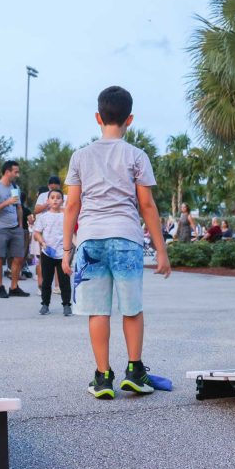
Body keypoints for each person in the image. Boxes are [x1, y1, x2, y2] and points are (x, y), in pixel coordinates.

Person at [61, 85, 171, 399]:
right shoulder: (136, 155)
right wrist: (161, 251)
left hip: (91, 239)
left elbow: (72, 205)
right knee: (132, 308)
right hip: (126, 237)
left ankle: (103, 377)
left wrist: (67, 249)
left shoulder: (80, 156)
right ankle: (135, 371)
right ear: (129, 119)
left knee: (98, 311)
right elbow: (146, 205)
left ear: (98, 117)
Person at [0, 161, 29, 298]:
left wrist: (20, 226)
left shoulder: (15, 187)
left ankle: (14, 287)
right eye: (15, 172)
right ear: (7, 172)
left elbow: (19, 207)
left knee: (19, 258)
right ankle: (0, 288)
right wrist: (6, 202)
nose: (18, 175)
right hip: (0, 229)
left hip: (15, 228)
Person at [33, 189, 72, 316]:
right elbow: (36, 233)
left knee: (64, 281)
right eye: (52, 197)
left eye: (58, 197)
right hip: (47, 253)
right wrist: (42, 242)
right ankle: (45, 304)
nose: (55, 200)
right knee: (47, 280)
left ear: (62, 201)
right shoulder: (43, 217)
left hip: (62, 254)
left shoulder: (66, 216)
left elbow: (72, 232)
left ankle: (66, 305)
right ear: (48, 200)